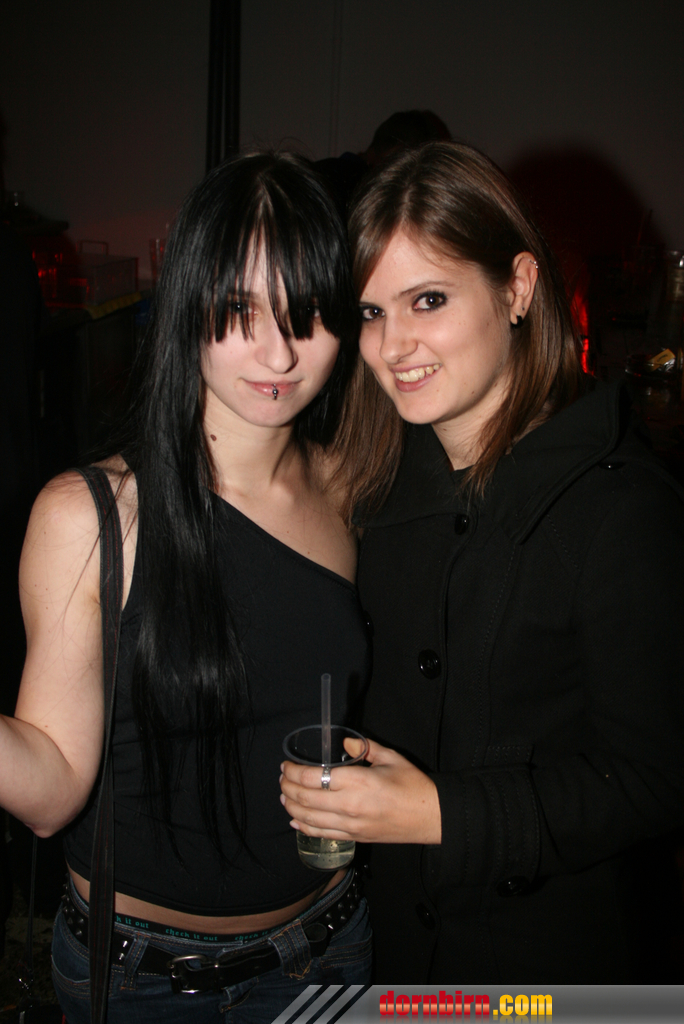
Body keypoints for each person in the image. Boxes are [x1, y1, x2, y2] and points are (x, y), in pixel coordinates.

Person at [281, 141, 684, 983]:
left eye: (428, 299)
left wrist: (440, 814)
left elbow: (655, 780)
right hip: (388, 952)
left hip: (551, 974)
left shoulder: (620, 507)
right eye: (371, 311)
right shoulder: (376, 481)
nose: (393, 346)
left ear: (518, 289)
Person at [5, 152, 372, 1022]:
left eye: (307, 314)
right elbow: (53, 790)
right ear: (187, 306)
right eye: (239, 311)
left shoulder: (353, 486)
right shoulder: (93, 516)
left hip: (332, 948)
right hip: (149, 982)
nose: (278, 352)